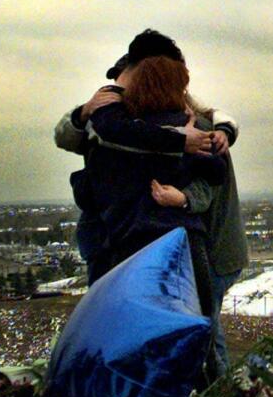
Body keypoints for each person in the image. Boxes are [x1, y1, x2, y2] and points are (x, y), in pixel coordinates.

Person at [55, 29, 249, 371]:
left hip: (206, 251)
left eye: (126, 79)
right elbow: (73, 135)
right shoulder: (121, 123)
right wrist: (84, 113)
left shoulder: (195, 126)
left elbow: (209, 182)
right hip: (157, 250)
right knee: (195, 342)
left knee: (196, 340)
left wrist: (185, 195)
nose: (119, 87)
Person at [74, 55, 225, 319]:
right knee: (192, 328)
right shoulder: (189, 128)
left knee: (124, 328)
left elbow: (87, 191)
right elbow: (216, 170)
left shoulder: (111, 133)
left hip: (123, 244)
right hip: (181, 246)